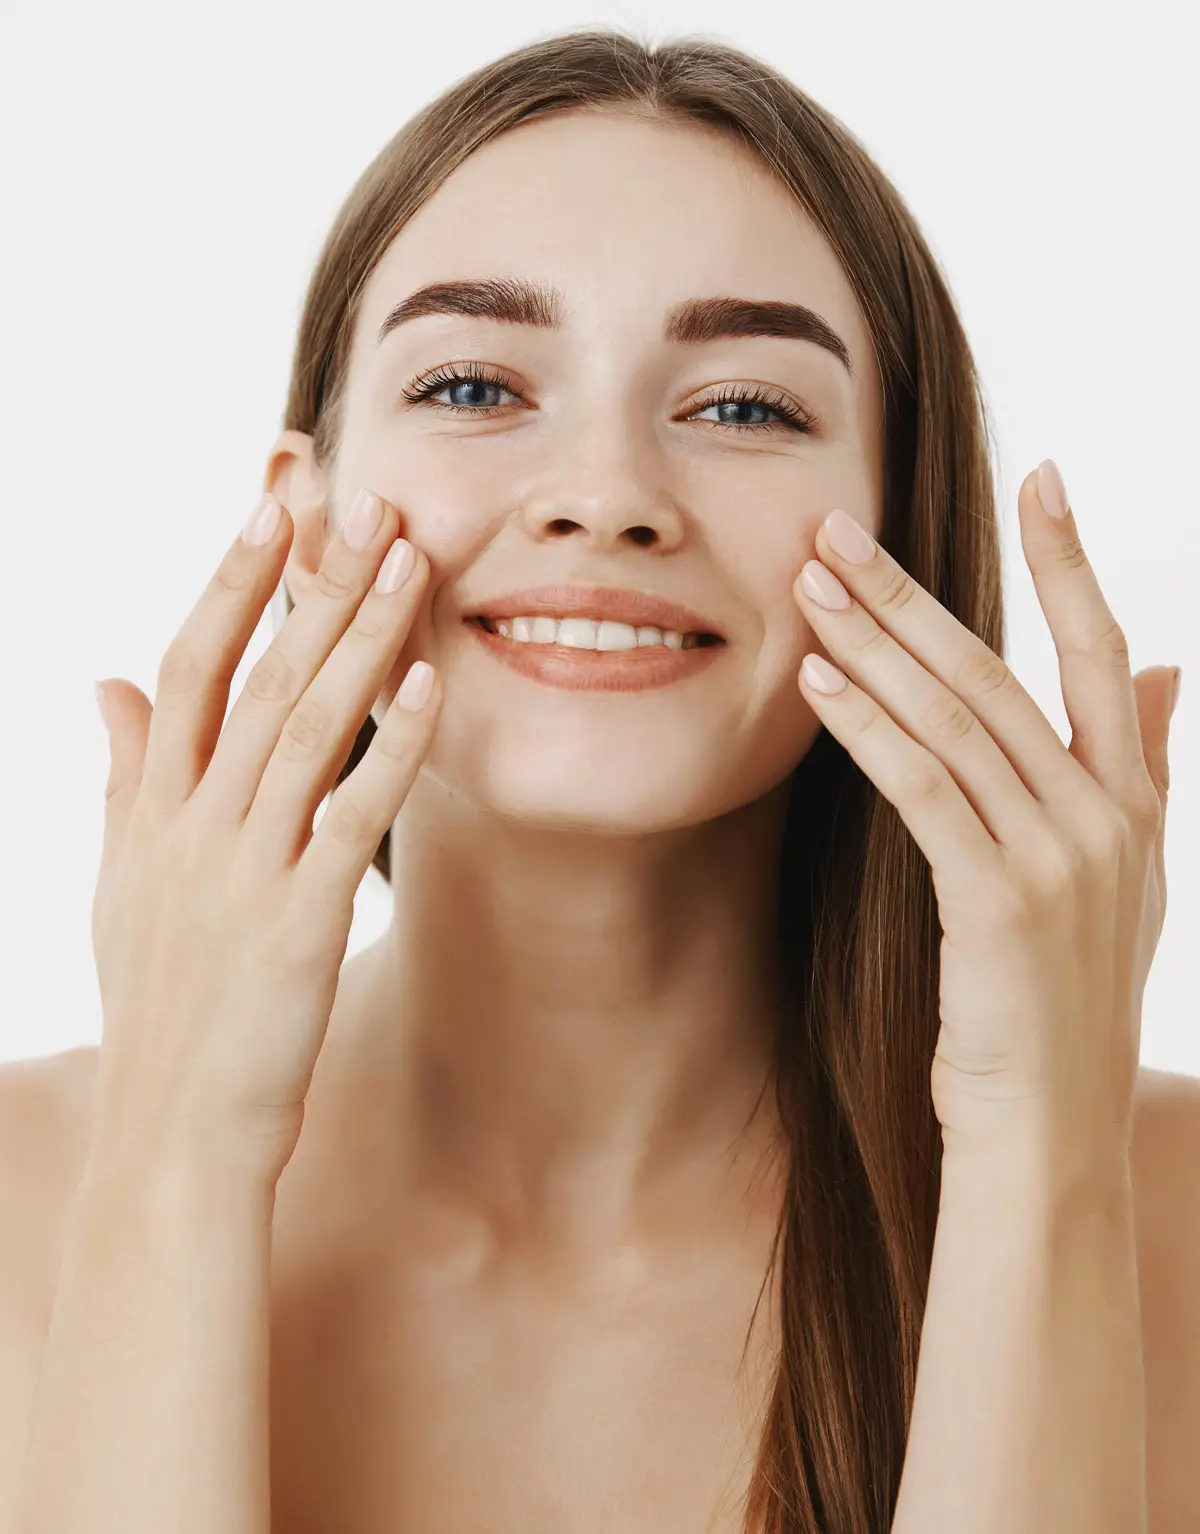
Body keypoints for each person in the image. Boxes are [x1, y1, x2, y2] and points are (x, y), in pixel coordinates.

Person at [8, 26, 1193, 1534]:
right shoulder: (25, 1198)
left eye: (746, 406)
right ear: (297, 528)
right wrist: (174, 1156)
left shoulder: (1162, 1207)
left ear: (907, 530)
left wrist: (1039, 1153)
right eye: (473, 384)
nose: (607, 496)